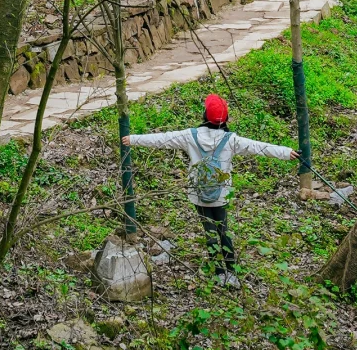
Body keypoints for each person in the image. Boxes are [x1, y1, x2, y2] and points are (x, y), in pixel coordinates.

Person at [122, 93, 297, 286]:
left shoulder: (190, 136)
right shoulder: (231, 140)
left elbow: (162, 139)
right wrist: (286, 152)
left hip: (198, 193)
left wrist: (133, 139)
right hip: (221, 194)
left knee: (210, 231)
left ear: (205, 115)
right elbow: (259, 147)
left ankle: (219, 272)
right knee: (224, 230)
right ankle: (231, 272)